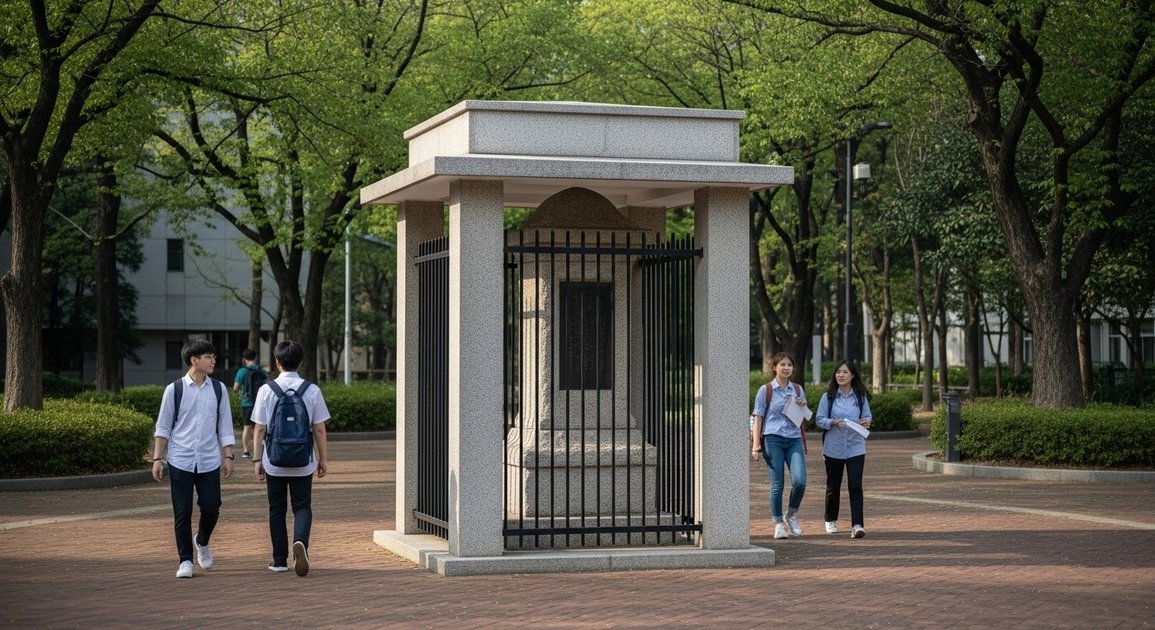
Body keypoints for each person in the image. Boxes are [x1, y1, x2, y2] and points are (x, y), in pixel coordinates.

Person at [151, 338, 235, 578]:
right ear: (194, 360)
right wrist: (157, 459)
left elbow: (225, 425)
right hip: (181, 459)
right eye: (209, 356)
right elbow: (163, 426)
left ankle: (202, 540)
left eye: (213, 356)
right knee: (182, 511)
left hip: (209, 459)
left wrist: (228, 455)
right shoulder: (174, 390)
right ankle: (185, 560)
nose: (213, 360)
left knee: (212, 508)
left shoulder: (219, 389)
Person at [252, 340, 330, 576]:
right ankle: (300, 542)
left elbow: (259, 428)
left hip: (273, 460)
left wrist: (257, 459)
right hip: (303, 460)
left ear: (277, 362)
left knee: (276, 509)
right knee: (302, 506)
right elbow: (319, 429)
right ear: (301, 362)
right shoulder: (312, 390)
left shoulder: (266, 390)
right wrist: (322, 459)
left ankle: (279, 561)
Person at [750, 351, 809, 539]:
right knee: (777, 484)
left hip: (793, 439)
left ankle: (791, 514)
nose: (786, 368)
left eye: (789, 365)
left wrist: (802, 406)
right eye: (782, 364)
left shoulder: (797, 389)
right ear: (774, 367)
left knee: (800, 482)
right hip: (772, 439)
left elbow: (804, 417)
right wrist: (756, 445)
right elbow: (758, 418)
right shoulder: (766, 390)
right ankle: (778, 524)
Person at [815, 360, 873, 539]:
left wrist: (866, 421)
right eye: (838, 372)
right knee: (833, 486)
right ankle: (830, 519)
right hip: (833, 448)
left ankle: (857, 525)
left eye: (845, 372)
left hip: (856, 447)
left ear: (852, 375)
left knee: (855, 486)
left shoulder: (860, 397)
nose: (840, 375)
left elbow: (867, 416)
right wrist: (832, 422)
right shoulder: (828, 397)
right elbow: (819, 419)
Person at [232, 348, 265, 459]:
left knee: (247, 427)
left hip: (246, 402)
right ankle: (258, 451)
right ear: (255, 358)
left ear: (244, 359)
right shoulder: (260, 370)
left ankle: (246, 451)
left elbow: (235, 388)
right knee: (259, 427)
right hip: (259, 402)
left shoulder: (242, 371)